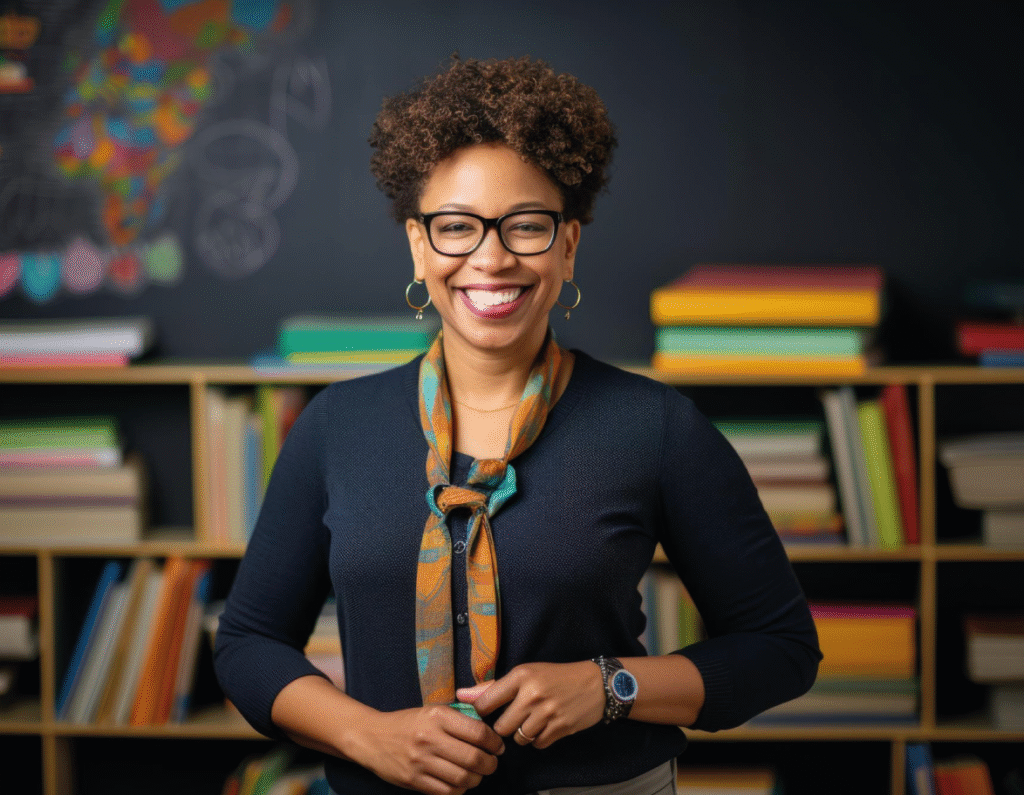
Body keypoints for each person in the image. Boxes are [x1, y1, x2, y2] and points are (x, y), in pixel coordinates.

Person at [214, 56, 821, 795]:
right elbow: (247, 643)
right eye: (456, 227)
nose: (491, 258)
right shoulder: (335, 426)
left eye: (526, 225)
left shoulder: (656, 427)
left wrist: (609, 686)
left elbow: (781, 647)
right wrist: (369, 735)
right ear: (418, 244)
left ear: (567, 245)